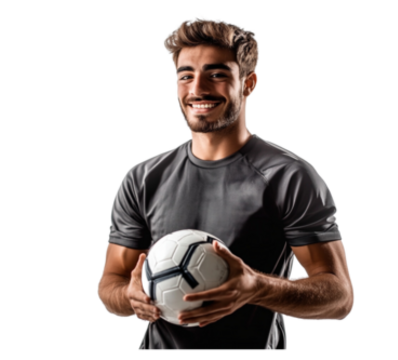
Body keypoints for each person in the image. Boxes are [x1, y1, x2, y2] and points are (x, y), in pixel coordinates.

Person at [99, 14, 354, 351]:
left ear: (249, 83)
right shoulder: (143, 178)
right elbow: (110, 284)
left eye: (216, 74)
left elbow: (340, 296)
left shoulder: (288, 176)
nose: (197, 89)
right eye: (185, 75)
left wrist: (258, 287)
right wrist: (130, 298)